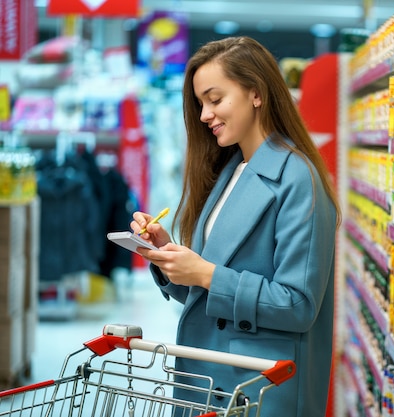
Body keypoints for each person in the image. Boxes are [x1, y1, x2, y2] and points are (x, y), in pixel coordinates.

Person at [130, 36, 341, 417]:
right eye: (200, 104)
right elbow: (210, 298)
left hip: (258, 388)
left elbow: (299, 305)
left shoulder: (297, 179)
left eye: (215, 99)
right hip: (213, 379)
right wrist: (170, 258)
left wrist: (208, 274)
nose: (204, 115)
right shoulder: (231, 172)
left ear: (256, 94)